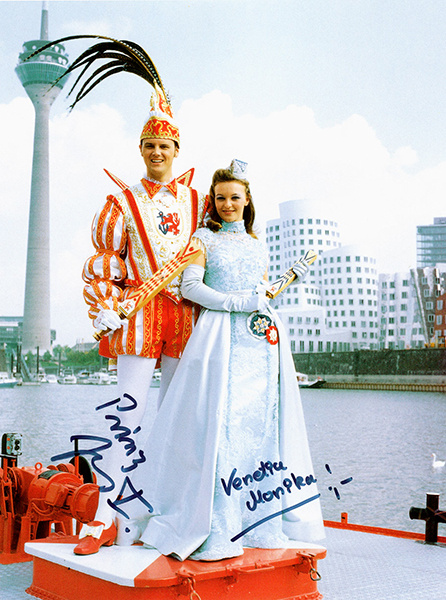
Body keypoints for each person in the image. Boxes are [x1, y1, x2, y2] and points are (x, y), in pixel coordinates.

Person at [121, 160, 325, 561]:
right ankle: (217, 526)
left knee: (261, 428)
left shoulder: (257, 243)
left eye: (234, 197)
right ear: (212, 202)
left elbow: (259, 291)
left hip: (260, 342)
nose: (227, 204)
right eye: (219, 198)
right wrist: (235, 304)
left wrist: (273, 291)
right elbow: (191, 288)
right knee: (222, 428)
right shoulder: (202, 239)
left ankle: (259, 523)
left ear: (247, 200)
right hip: (220, 338)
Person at [74, 87, 207, 555]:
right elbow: (106, 259)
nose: (157, 152)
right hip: (139, 315)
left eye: (164, 145)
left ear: (176, 149)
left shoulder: (198, 201)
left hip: (186, 318)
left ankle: (166, 517)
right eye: (149, 145)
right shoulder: (122, 201)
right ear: (140, 149)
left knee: (178, 420)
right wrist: (105, 305)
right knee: (126, 418)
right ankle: (102, 520)